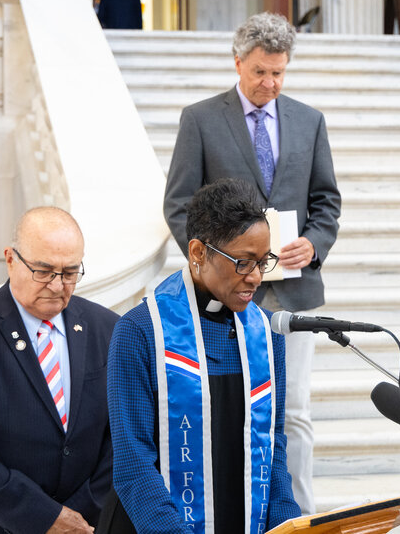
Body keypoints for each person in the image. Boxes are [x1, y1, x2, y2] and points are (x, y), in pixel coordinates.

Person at [163, 12, 341, 515]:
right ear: (238, 62)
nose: (269, 83)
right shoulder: (199, 119)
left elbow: (326, 201)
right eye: (260, 71)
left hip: (293, 293)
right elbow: (179, 206)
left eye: (279, 73)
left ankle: (300, 517)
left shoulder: (310, 120)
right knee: (230, 406)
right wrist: (212, 269)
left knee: (295, 412)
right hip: (226, 297)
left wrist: (314, 242)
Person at [102, 179, 301, 533]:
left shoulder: (268, 334)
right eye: (242, 262)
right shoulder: (141, 332)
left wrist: (287, 524)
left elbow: (274, 446)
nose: (256, 277)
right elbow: (133, 463)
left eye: (263, 261)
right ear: (197, 252)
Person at [0, 207, 119, 534]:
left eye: (70, 272)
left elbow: (122, 438)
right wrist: (44, 518)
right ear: (10, 259)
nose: (58, 285)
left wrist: (79, 514)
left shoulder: (107, 328)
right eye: (44, 271)